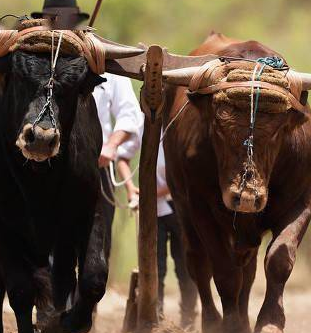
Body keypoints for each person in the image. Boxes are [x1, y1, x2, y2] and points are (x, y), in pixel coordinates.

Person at [31, 0, 143, 326]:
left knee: (94, 252)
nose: (60, 22)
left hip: (95, 170)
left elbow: (129, 116)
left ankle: (81, 314)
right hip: (45, 166)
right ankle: (51, 310)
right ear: (46, 20)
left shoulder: (100, 58)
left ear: (78, 19)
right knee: (48, 244)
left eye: (66, 18)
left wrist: (110, 146)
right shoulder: (35, 58)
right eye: (54, 18)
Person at [117, 141, 198, 329]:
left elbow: (186, 173)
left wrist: (150, 192)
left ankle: (189, 320)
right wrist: (130, 189)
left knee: (185, 267)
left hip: (180, 207)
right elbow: (122, 157)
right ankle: (155, 318)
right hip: (152, 210)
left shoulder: (179, 124)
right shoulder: (142, 124)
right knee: (155, 268)